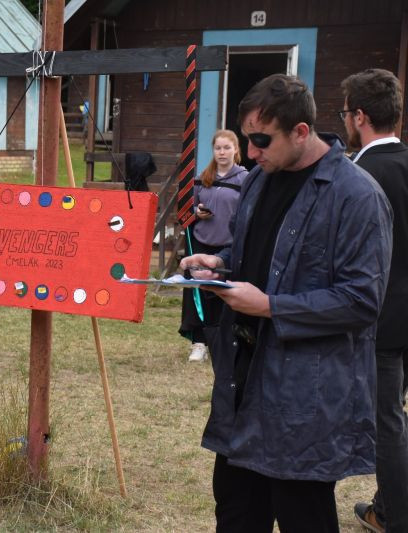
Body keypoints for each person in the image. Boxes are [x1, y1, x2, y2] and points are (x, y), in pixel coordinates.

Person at [180, 74, 392, 531]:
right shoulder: (259, 179)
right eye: (246, 139)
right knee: (236, 514)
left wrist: (271, 307)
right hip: (243, 382)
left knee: (303, 517)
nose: (251, 152)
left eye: (261, 140)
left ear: (300, 131)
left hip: (304, 399)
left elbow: (362, 300)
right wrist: (220, 262)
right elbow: (260, 254)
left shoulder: (357, 195)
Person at [341, 68, 408, 533]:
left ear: (360, 116)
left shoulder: (359, 175)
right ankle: (387, 505)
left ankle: (394, 518)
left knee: (387, 425)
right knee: (394, 420)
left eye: (345, 113)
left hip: (381, 318)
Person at [179, 130, 247, 362]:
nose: (222, 152)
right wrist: (197, 212)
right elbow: (189, 207)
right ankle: (199, 342)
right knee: (197, 294)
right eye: (218, 148)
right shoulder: (203, 177)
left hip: (227, 248)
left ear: (236, 150)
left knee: (222, 296)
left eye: (227, 148)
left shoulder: (245, 179)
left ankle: (223, 342)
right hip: (202, 243)